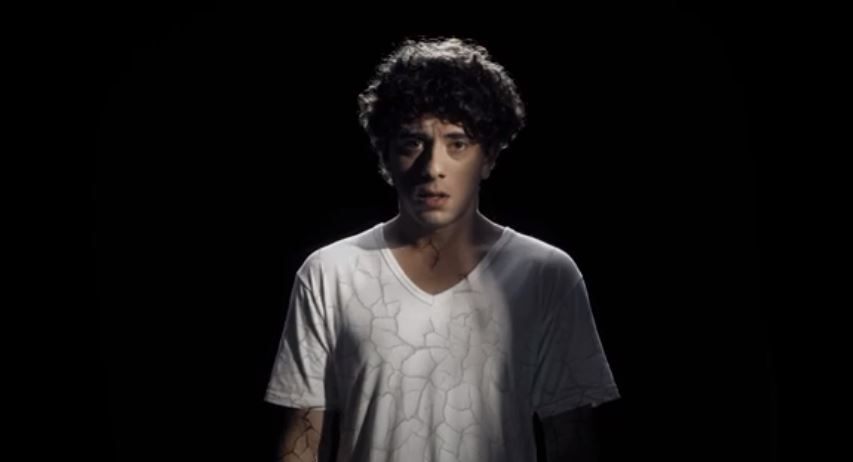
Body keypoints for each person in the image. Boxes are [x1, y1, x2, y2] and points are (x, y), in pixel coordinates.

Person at [264, 36, 620, 462]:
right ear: (385, 156)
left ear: (488, 156)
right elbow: (302, 442)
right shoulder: (330, 273)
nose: (433, 168)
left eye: (457, 143)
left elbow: (573, 441)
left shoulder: (546, 275)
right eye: (412, 143)